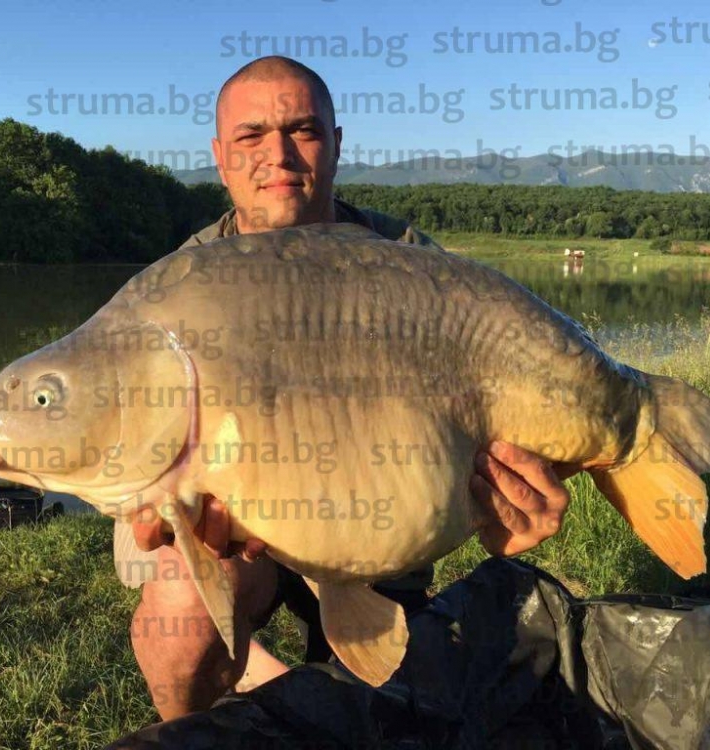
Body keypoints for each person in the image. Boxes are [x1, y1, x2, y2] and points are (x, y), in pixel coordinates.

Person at [129, 56, 574, 721]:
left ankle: (290, 678)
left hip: (374, 524)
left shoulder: (409, 260)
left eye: (302, 130)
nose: (276, 154)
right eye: (251, 137)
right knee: (182, 614)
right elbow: (129, 436)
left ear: (337, 143)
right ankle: (194, 734)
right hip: (230, 518)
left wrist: (511, 494)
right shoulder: (179, 287)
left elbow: (494, 410)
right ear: (220, 157)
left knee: (383, 712)